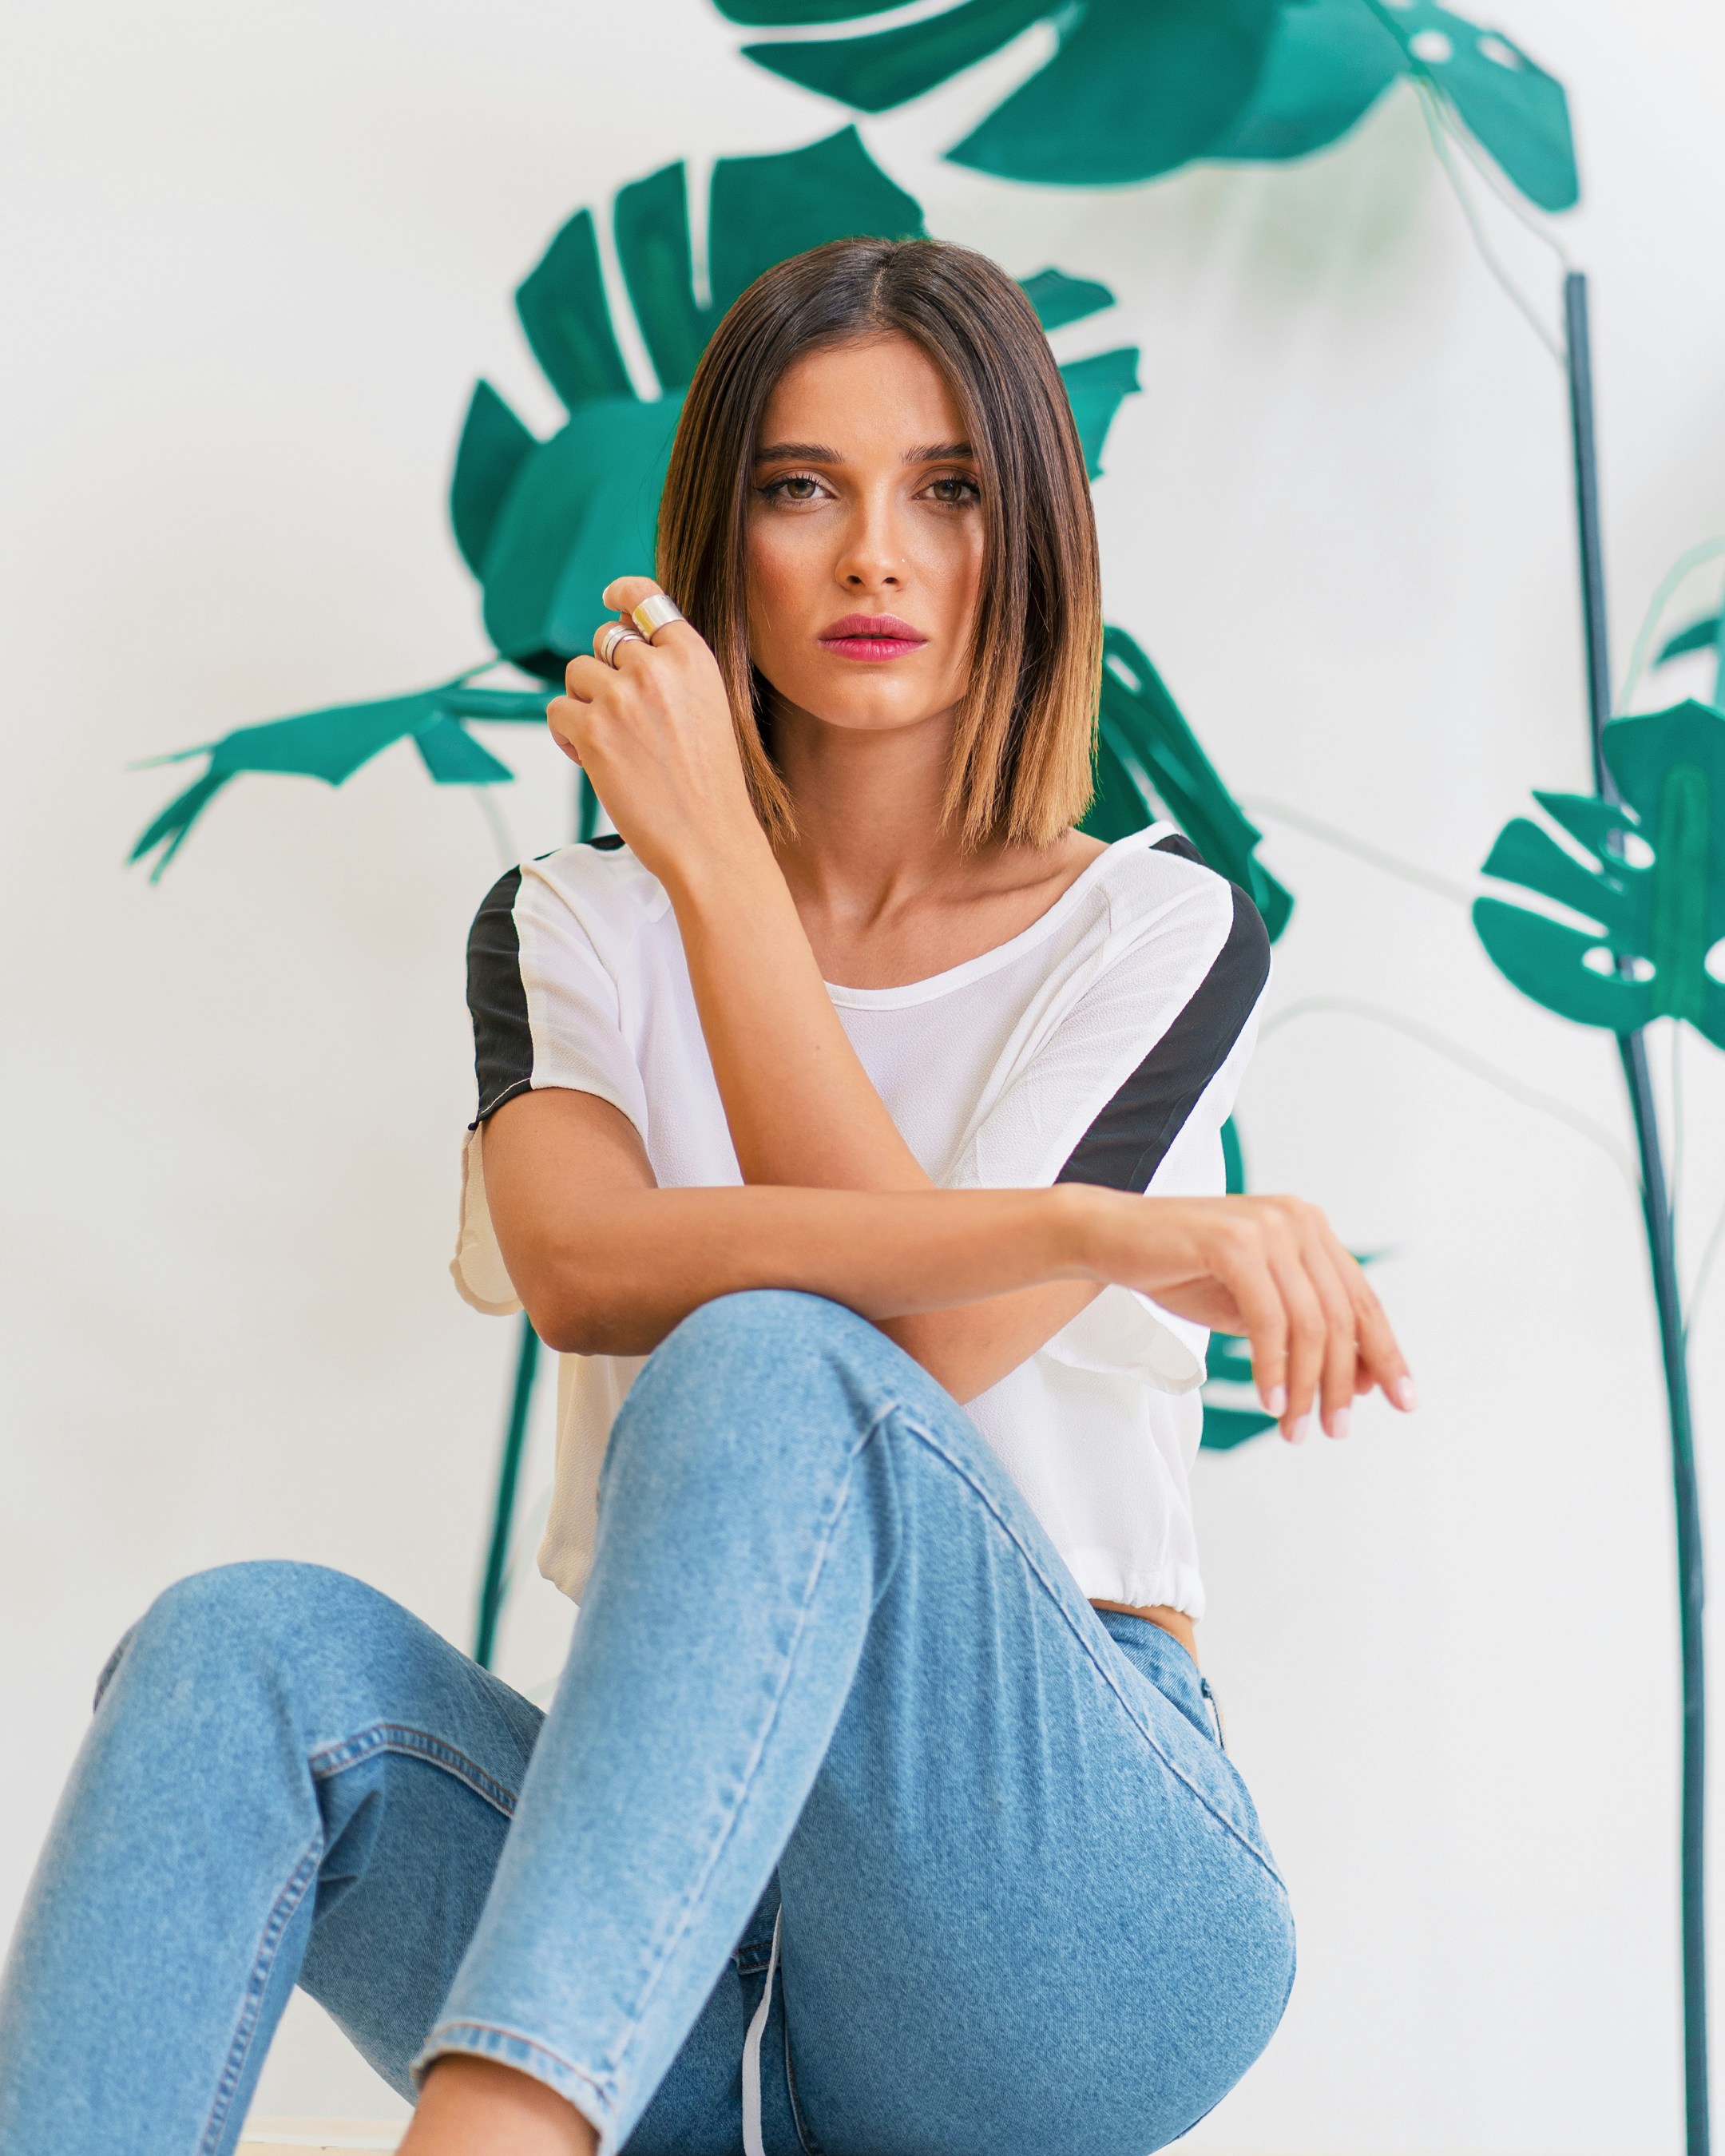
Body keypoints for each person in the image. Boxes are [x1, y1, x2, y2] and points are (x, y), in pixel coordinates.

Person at [0, 236, 1413, 2156]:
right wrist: (1094, 1226)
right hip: (688, 1954)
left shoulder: (1147, 927)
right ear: (722, 540)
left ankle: (496, 2135)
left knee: (765, 1355)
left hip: (1063, 1929)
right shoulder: (573, 922)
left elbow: (910, 1350)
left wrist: (724, 873)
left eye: (948, 491)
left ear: (1031, 538)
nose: (874, 558)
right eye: (802, 489)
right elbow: (584, 1266)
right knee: (235, 1650)